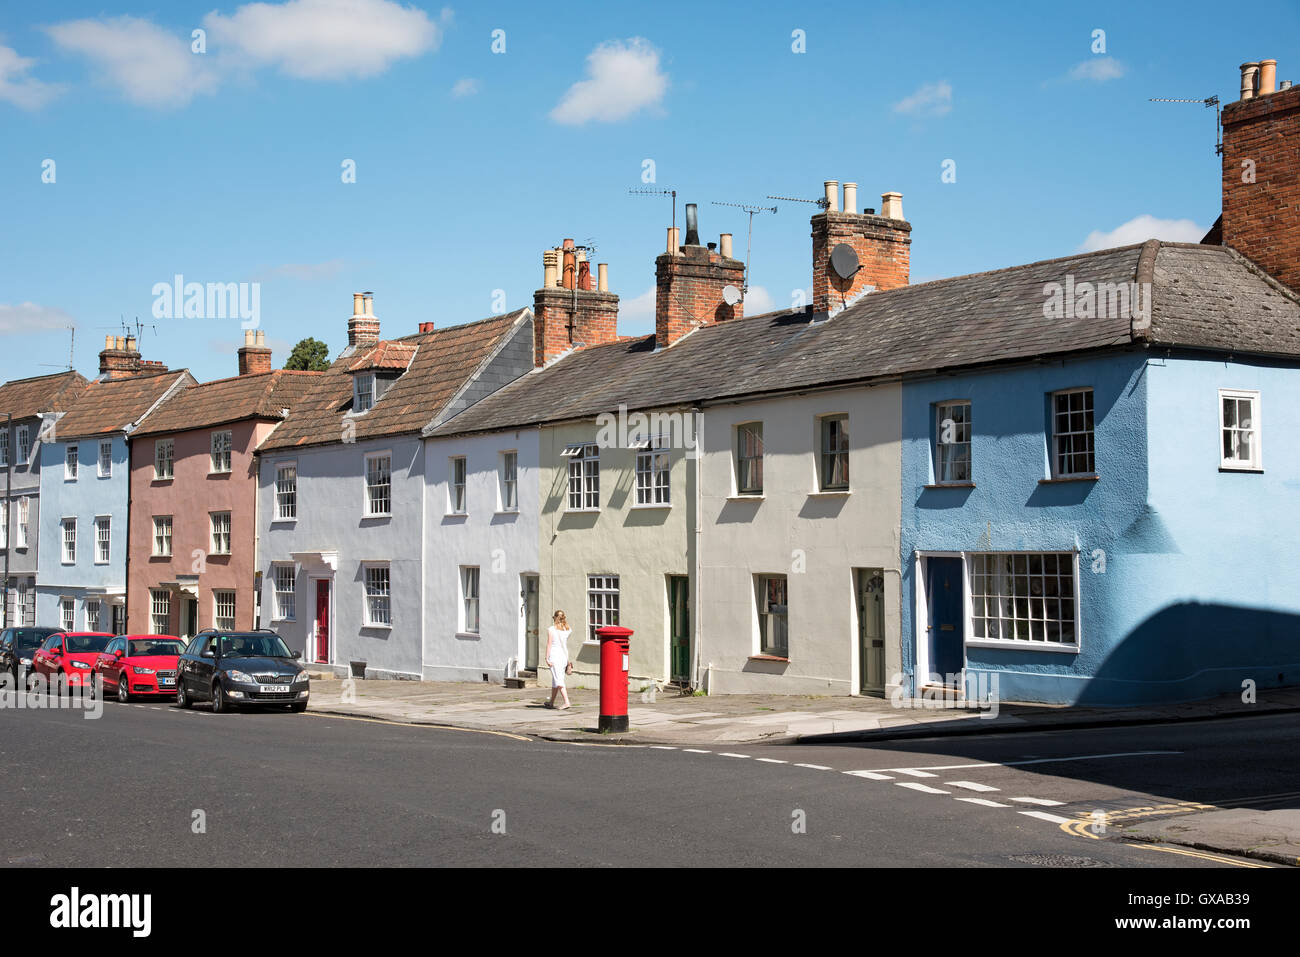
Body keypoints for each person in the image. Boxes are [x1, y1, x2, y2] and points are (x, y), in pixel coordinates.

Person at [546, 611, 573, 710]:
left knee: (559, 681)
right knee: (556, 680)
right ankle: (551, 702)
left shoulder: (551, 629)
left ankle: (566, 702)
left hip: (554, 656)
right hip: (564, 656)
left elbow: (549, 644)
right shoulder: (567, 629)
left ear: (555, 618)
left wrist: (547, 658)